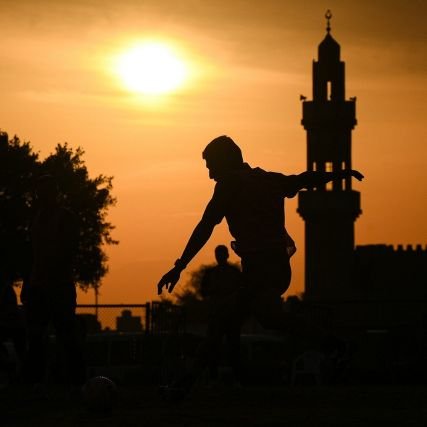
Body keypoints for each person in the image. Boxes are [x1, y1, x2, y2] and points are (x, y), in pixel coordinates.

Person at [157, 135, 363, 396]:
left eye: (211, 166)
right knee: (264, 318)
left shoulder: (229, 184)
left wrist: (179, 265)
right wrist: (339, 175)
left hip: (262, 269)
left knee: (227, 319)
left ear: (224, 161)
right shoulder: (267, 179)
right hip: (276, 268)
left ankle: (184, 385)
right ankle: (335, 345)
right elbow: (302, 180)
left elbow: (206, 225)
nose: (210, 175)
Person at [21, 175, 85, 388]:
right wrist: (28, 282)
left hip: (59, 286)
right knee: (36, 336)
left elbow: (69, 251)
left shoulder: (65, 218)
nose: (43, 195)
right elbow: (33, 254)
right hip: (39, 286)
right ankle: (37, 381)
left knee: (66, 336)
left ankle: (74, 382)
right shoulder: (37, 218)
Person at [200, 245, 242, 384]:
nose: (220, 256)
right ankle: (215, 378)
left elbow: (242, 293)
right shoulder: (212, 273)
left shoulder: (234, 273)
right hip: (218, 316)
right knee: (213, 348)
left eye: (221, 254)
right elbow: (203, 292)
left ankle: (237, 378)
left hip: (230, 316)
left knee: (234, 349)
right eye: (218, 254)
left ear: (226, 255)